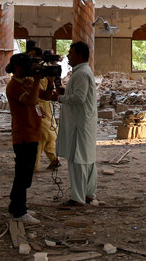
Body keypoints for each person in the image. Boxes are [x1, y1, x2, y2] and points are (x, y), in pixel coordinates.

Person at [55, 41, 98, 206]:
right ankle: (88, 194)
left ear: (79, 56)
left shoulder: (81, 73)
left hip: (80, 123)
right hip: (84, 121)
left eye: (71, 54)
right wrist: (66, 92)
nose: (68, 57)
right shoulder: (83, 72)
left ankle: (77, 198)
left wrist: (59, 98)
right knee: (87, 158)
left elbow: (79, 98)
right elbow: (81, 94)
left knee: (78, 159)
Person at [6, 53, 43, 224]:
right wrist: (36, 81)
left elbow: (45, 96)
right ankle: (20, 211)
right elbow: (31, 100)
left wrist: (48, 80)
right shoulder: (13, 86)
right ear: (18, 67)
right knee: (23, 174)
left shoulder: (27, 82)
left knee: (25, 174)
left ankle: (16, 205)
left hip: (33, 132)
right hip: (23, 135)